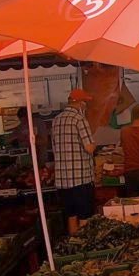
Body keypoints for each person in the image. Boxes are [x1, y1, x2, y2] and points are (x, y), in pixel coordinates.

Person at [53, 89, 97, 235]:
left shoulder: (56, 120)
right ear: (80, 103)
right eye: (85, 103)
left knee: (71, 215)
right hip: (80, 178)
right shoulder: (79, 119)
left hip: (63, 180)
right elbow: (89, 147)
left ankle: (74, 243)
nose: (86, 106)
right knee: (84, 216)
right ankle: (84, 244)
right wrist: (95, 144)